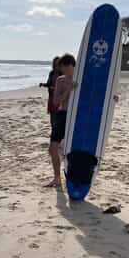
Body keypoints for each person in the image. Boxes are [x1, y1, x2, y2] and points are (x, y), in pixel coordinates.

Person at [45, 53, 76, 188]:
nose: (61, 71)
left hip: (77, 116)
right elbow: (56, 101)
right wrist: (69, 89)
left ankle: (75, 176)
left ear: (69, 66)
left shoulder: (82, 78)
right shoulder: (60, 80)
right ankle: (57, 178)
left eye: (62, 68)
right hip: (63, 114)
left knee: (73, 150)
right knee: (52, 148)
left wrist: (113, 98)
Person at [39, 56, 60, 126]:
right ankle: (53, 131)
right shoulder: (52, 73)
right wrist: (43, 84)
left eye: (58, 64)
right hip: (51, 97)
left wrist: (55, 88)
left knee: (58, 116)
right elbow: (49, 84)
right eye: (55, 64)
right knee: (52, 116)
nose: (56, 65)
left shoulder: (62, 73)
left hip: (59, 98)